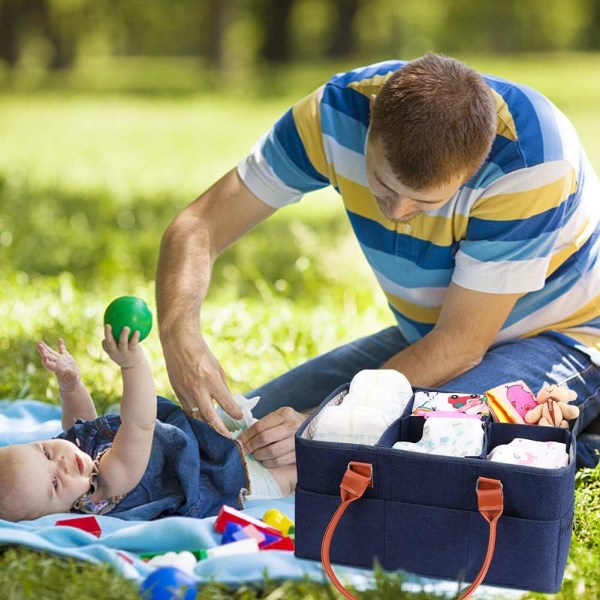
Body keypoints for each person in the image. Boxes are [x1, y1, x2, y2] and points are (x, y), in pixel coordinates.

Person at [156, 53, 600, 469]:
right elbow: (199, 225)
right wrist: (179, 336)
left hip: (561, 336)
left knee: (411, 453)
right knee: (236, 440)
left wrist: (319, 423)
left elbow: (463, 346)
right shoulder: (333, 114)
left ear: (476, 166)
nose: (398, 213)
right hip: (434, 335)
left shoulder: (530, 161)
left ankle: (581, 434)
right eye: (383, 187)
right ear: (370, 123)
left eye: (425, 203)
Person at [0, 328, 295, 522]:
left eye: (45, 453)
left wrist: (71, 385)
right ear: (58, 513)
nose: (63, 464)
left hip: (197, 449)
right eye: (54, 484)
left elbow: (83, 423)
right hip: (214, 480)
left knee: (284, 442)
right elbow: (139, 424)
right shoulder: (108, 483)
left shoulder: (77, 456)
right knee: (296, 472)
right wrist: (132, 365)